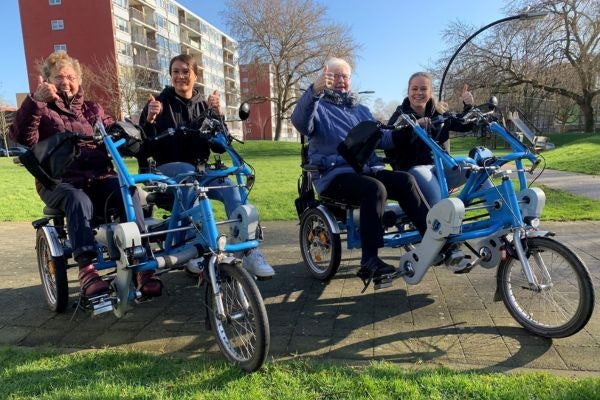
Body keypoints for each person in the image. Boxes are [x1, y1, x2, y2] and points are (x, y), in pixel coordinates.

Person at [9, 51, 159, 298]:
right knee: (79, 200)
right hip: (58, 180)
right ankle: (87, 269)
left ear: (79, 81)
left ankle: (141, 260)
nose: (66, 81)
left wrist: (140, 123)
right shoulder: (42, 109)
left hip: (99, 176)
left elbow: (113, 129)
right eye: (59, 77)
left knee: (127, 191)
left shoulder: (93, 109)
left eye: (71, 76)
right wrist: (35, 100)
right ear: (47, 80)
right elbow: (23, 137)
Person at [291, 57, 430, 280]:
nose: (340, 81)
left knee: (405, 180)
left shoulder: (361, 110)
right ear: (325, 77)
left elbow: (382, 138)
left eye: (345, 76)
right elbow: (299, 122)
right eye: (335, 76)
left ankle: (432, 238)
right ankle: (369, 261)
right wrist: (315, 90)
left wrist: (410, 131)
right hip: (334, 175)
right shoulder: (317, 106)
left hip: (366, 170)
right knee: (374, 189)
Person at [138, 54, 274, 279]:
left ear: (195, 75)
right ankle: (195, 246)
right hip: (168, 169)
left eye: (185, 71)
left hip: (201, 169)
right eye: (176, 72)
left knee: (231, 188)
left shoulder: (204, 104)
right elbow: (144, 147)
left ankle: (249, 250)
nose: (180, 76)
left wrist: (218, 114)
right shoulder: (159, 104)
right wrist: (150, 121)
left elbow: (221, 146)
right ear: (170, 75)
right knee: (189, 179)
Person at [385, 73, 490, 206]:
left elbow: (464, 124)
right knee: (439, 200)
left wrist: (469, 106)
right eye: (415, 89)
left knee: (479, 170)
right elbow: (390, 144)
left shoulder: (438, 113)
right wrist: (413, 128)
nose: (419, 92)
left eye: (423, 89)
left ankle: (505, 216)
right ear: (408, 91)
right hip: (414, 171)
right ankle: (441, 222)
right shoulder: (400, 116)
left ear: (430, 92)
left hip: (442, 167)